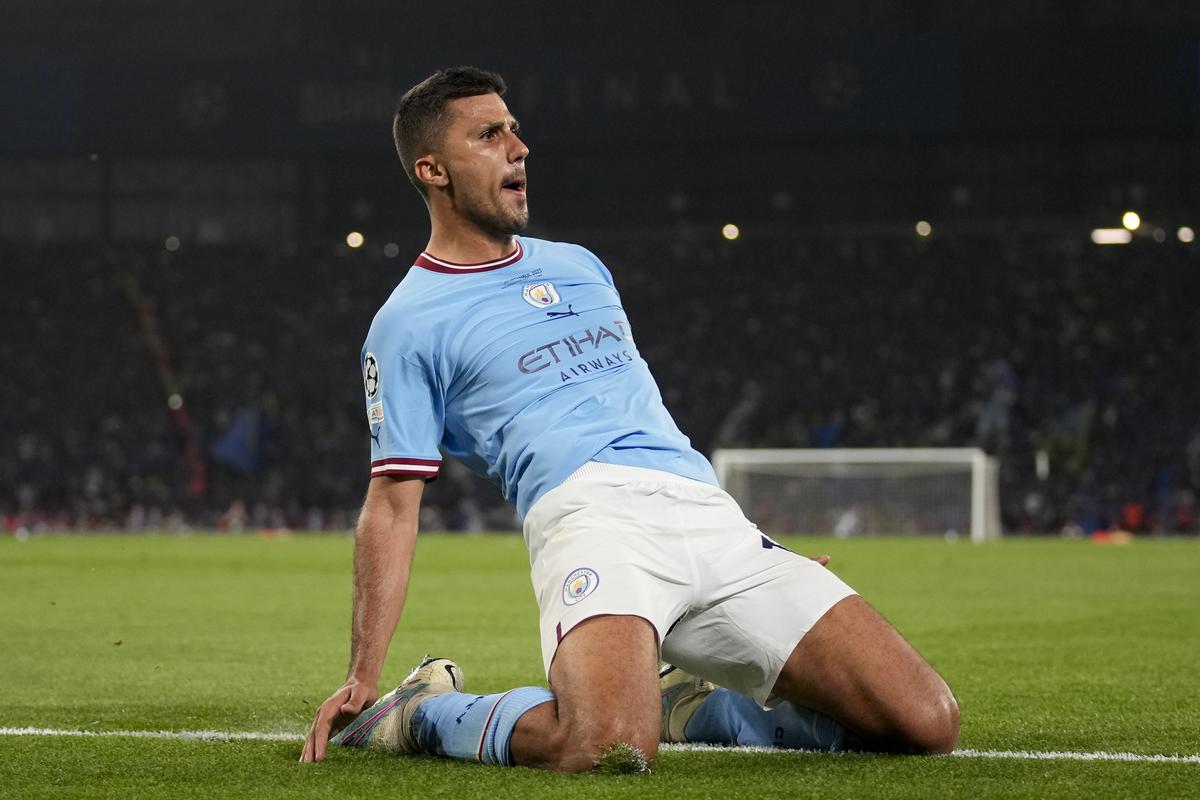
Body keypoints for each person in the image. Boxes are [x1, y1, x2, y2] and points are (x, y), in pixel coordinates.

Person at [299, 66, 958, 772]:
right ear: (432, 169)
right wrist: (361, 673)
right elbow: (393, 504)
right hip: (589, 519)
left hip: (707, 515)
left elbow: (637, 410)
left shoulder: (582, 267)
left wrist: (740, 532)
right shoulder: (406, 323)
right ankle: (421, 713)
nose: (518, 147)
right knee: (605, 745)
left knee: (924, 722)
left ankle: (697, 707)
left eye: (515, 129)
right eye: (489, 134)